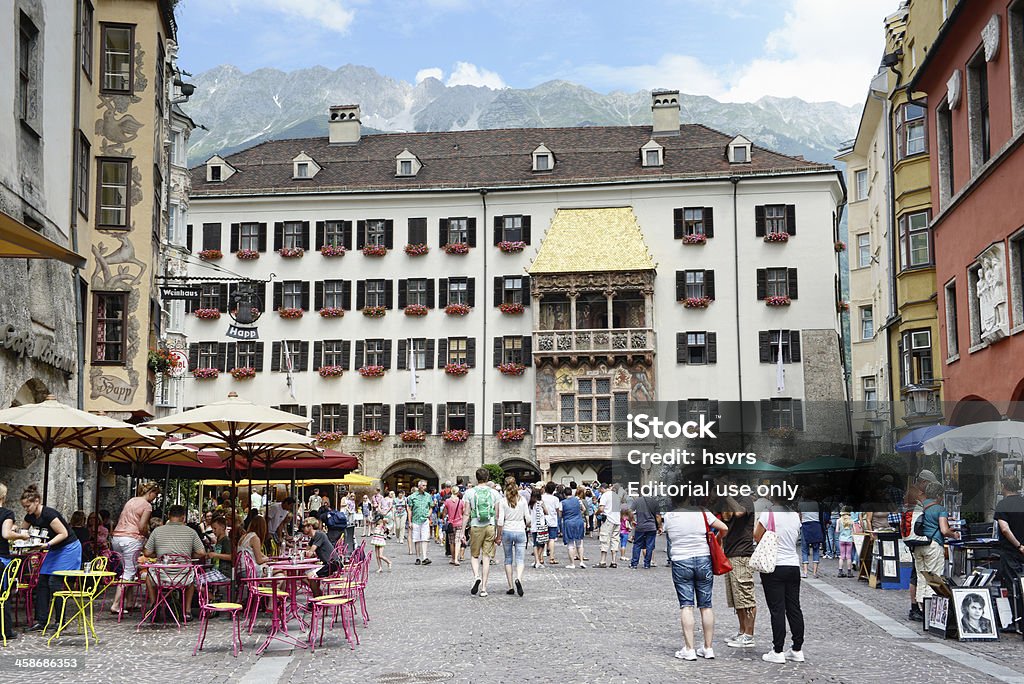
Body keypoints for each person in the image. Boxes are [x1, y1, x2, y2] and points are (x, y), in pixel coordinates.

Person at [664, 493, 727, 660]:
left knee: (686, 605)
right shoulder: (702, 511)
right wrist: (717, 539)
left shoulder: (669, 516)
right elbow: (724, 527)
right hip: (703, 559)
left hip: (681, 560)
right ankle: (708, 648)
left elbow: (668, 534)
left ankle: (689, 649)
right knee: (706, 605)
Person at [19, 485, 82, 631]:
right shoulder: (30, 516)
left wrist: (46, 545)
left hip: (68, 547)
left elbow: (63, 533)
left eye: (28, 506)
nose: (26, 509)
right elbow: (23, 532)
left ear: (37, 501)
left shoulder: (49, 514)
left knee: (55, 582)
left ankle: (61, 621)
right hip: (54, 549)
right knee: (42, 581)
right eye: (24, 507)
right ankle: (41, 621)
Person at [755, 498, 805, 664]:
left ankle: (778, 650)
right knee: (794, 608)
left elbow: (757, 536)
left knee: (777, 609)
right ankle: (797, 649)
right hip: (793, 565)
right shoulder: (795, 516)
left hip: (774, 565)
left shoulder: (768, 514)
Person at [142, 504, 205, 614]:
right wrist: (188, 555)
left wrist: (160, 554)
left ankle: (154, 605)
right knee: (191, 581)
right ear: (183, 517)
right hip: (183, 577)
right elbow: (202, 553)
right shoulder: (191, 532)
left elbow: (147, 552)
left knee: (148, 576)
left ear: (168, 516)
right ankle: (187, 611)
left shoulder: (157, 531)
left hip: (161, 577)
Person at [109, 482, 159, 614]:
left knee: (127, 570)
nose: (155, 498)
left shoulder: (131, 501)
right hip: (131, 538)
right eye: (156, 494)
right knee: (129, 572)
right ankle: (115, 605)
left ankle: (130, 602)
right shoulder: (147, 506)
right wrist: (149, 536)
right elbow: (142, 526)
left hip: (117, 538)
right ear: (151, 492)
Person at [911, 482, 960, 611]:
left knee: (921, 576)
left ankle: (921, 608)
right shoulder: (940, 509)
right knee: (934, 577)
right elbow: (944, 530)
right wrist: (954, 534)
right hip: (933, 545)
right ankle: (930, 610)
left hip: (918, 544)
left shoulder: (921, 506)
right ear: (938, 495)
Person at [719, 489, 757, 649]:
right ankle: (742, 631)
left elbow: (740, 513)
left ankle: (749, 634)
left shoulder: (745, 500)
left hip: (742, 553)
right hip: (730, 553)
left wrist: (726, 495)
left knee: (745, 595)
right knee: (737, 598)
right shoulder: (729, 501)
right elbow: (726, 519)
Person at [463, 469, 502, 597]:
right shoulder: (494, 493)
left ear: (476, 477)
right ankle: (484, 588)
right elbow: (497, 515)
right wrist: (498, 532)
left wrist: (462, 531)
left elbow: (466, 513)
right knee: (486, 557)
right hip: (490, 525)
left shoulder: (469, 492)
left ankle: (476, 577)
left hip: (475, 525)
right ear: (487, 478)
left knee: (474, 555)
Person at [0, 483, 29, 640]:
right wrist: (21, 536)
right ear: (4, 497)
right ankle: (5, 631)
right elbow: (5, 534)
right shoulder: (6, 513)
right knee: (3, 596)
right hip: (1, 559)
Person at [994, 475, 1024, 621]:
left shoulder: (1003, 505)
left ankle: (1015, 619)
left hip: (1010, 550)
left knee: (1012, 585)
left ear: (1003, 486)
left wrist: (1018, 545)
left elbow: (1005, 529)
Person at [497, 476, 529, 596]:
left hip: (507, 530)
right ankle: (519, 579)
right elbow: (528, 518)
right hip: (520, 530)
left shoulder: (503, 501)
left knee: (508, 559)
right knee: (520, 559)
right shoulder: (522, 500)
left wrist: (498, 535)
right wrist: (527, 525)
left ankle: (510, 586)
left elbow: (500, 521)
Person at [301, 517, 335, 597]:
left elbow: (309, 553)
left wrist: (307, 553)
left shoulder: (319, 535)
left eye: (305, 526)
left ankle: (317, 596)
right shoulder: (314, 537)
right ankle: (318, 594)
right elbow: (307, 551)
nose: (303, 529)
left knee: (309, 575)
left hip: (332, 564)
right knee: (304, 576)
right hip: (326, 563)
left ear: (311, 526)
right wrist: (306, 552)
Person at [627, 493, 661, 569]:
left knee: (637, 544)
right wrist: (660, 527)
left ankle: (634, 564)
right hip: (651, 527)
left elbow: (630, 511)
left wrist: (632, 520)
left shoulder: (637, 501)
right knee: (650, 545)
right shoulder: (654, 502)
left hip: (640, 526)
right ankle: (647, 564)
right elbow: (658, 516)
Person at [407, 480, 434, 565]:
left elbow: (431, 507)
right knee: (416, 539)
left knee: (425, 538)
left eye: (425, 485)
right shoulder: (412, 497)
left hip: (425, 520)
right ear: (419, 486)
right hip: (416, 520)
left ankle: (425, 557)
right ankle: (418, 557)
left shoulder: (428, 496)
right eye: (423, 485)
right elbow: (410, 510)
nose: (425, 487)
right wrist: (410, 521)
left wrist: (428, 515)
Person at [561, 486, 589, 568]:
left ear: (564, 494)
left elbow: (560, 514)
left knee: (570, 544)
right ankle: (581, 561)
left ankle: (572, 563)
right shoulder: (578, 500)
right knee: (579, 543)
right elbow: (584, 509)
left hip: (568, 522)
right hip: (579, 522)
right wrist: (578, 513)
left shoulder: (563, 502)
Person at [598, 482, 622, 568]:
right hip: (617, 520)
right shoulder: (616, 496)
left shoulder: (605, 495)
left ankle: (603, 561)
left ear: (602, 488)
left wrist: (596, 513)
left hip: (608, 519)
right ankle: (614, 561)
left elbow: (601, 509)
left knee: (605, 539)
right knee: (615, 540)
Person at [798, 497, 823, 579]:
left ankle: (805, 572)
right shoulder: (816, 503)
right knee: (816, 550)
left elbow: (800, 516)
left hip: (805, 525)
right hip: (816, 525)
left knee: (804, 550)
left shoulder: (801, 504)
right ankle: (815, 573)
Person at [203, 516, 233, 585]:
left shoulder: (226, 540)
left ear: (222, 527)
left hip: (224, 573)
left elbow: (231, 556)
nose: (213, 531)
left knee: (197, 581)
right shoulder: (218, 541)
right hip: (216, 571)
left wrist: (215, 555)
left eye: (215, 528)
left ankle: (210, 596)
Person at [443, 487, 465, 565]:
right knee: (458, 541)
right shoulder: (461, 502)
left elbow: (445, 512)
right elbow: (463, 512)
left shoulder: (447, 501)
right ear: (458, 492)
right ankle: (456, 559)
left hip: (450, 524)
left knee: (451, 542)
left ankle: (453, 558)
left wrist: (444, 519)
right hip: (459, 523)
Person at [541, 482, 561, 564]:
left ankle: (541, 558)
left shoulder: (542, 497)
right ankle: (551, 558)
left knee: (542, 539)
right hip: (552, 520)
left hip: (543, 520)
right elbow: (557, 510)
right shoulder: (555, 499)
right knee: (552, 539)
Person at [529, 488, 549, 568]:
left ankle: (536, 560)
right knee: (542, 543)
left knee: (535, 543)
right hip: (541, 526)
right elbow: (546, 512)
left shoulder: (531, 504)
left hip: (534, 525)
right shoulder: (541, 503)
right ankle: (537, 560)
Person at [835, 508, 856, 578]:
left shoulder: (839, 520)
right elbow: (854, 531)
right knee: (848, 556)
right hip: (849, 540)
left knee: (842, 556)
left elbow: (837, 531)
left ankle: (840, 571)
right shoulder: (851, 521)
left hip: (841, 539)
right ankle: (849, 572)